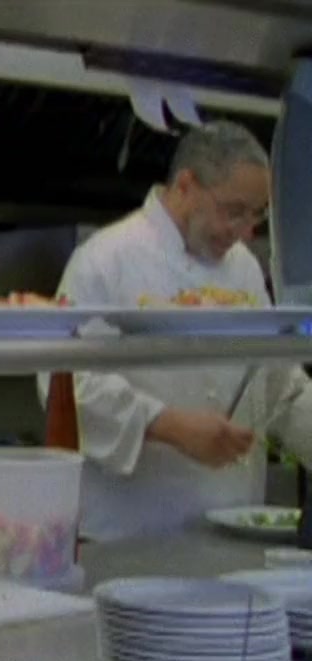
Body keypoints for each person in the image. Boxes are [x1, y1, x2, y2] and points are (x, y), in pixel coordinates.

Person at [43, 120, 312, 542]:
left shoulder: (243, 267)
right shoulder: (106, 259)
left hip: (232, 535)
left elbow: (277, 384)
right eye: (234, 211)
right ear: (185, 185)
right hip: (126, 537)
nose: (245, 232)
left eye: (256, 215)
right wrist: (169, 425)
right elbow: (66, 384)